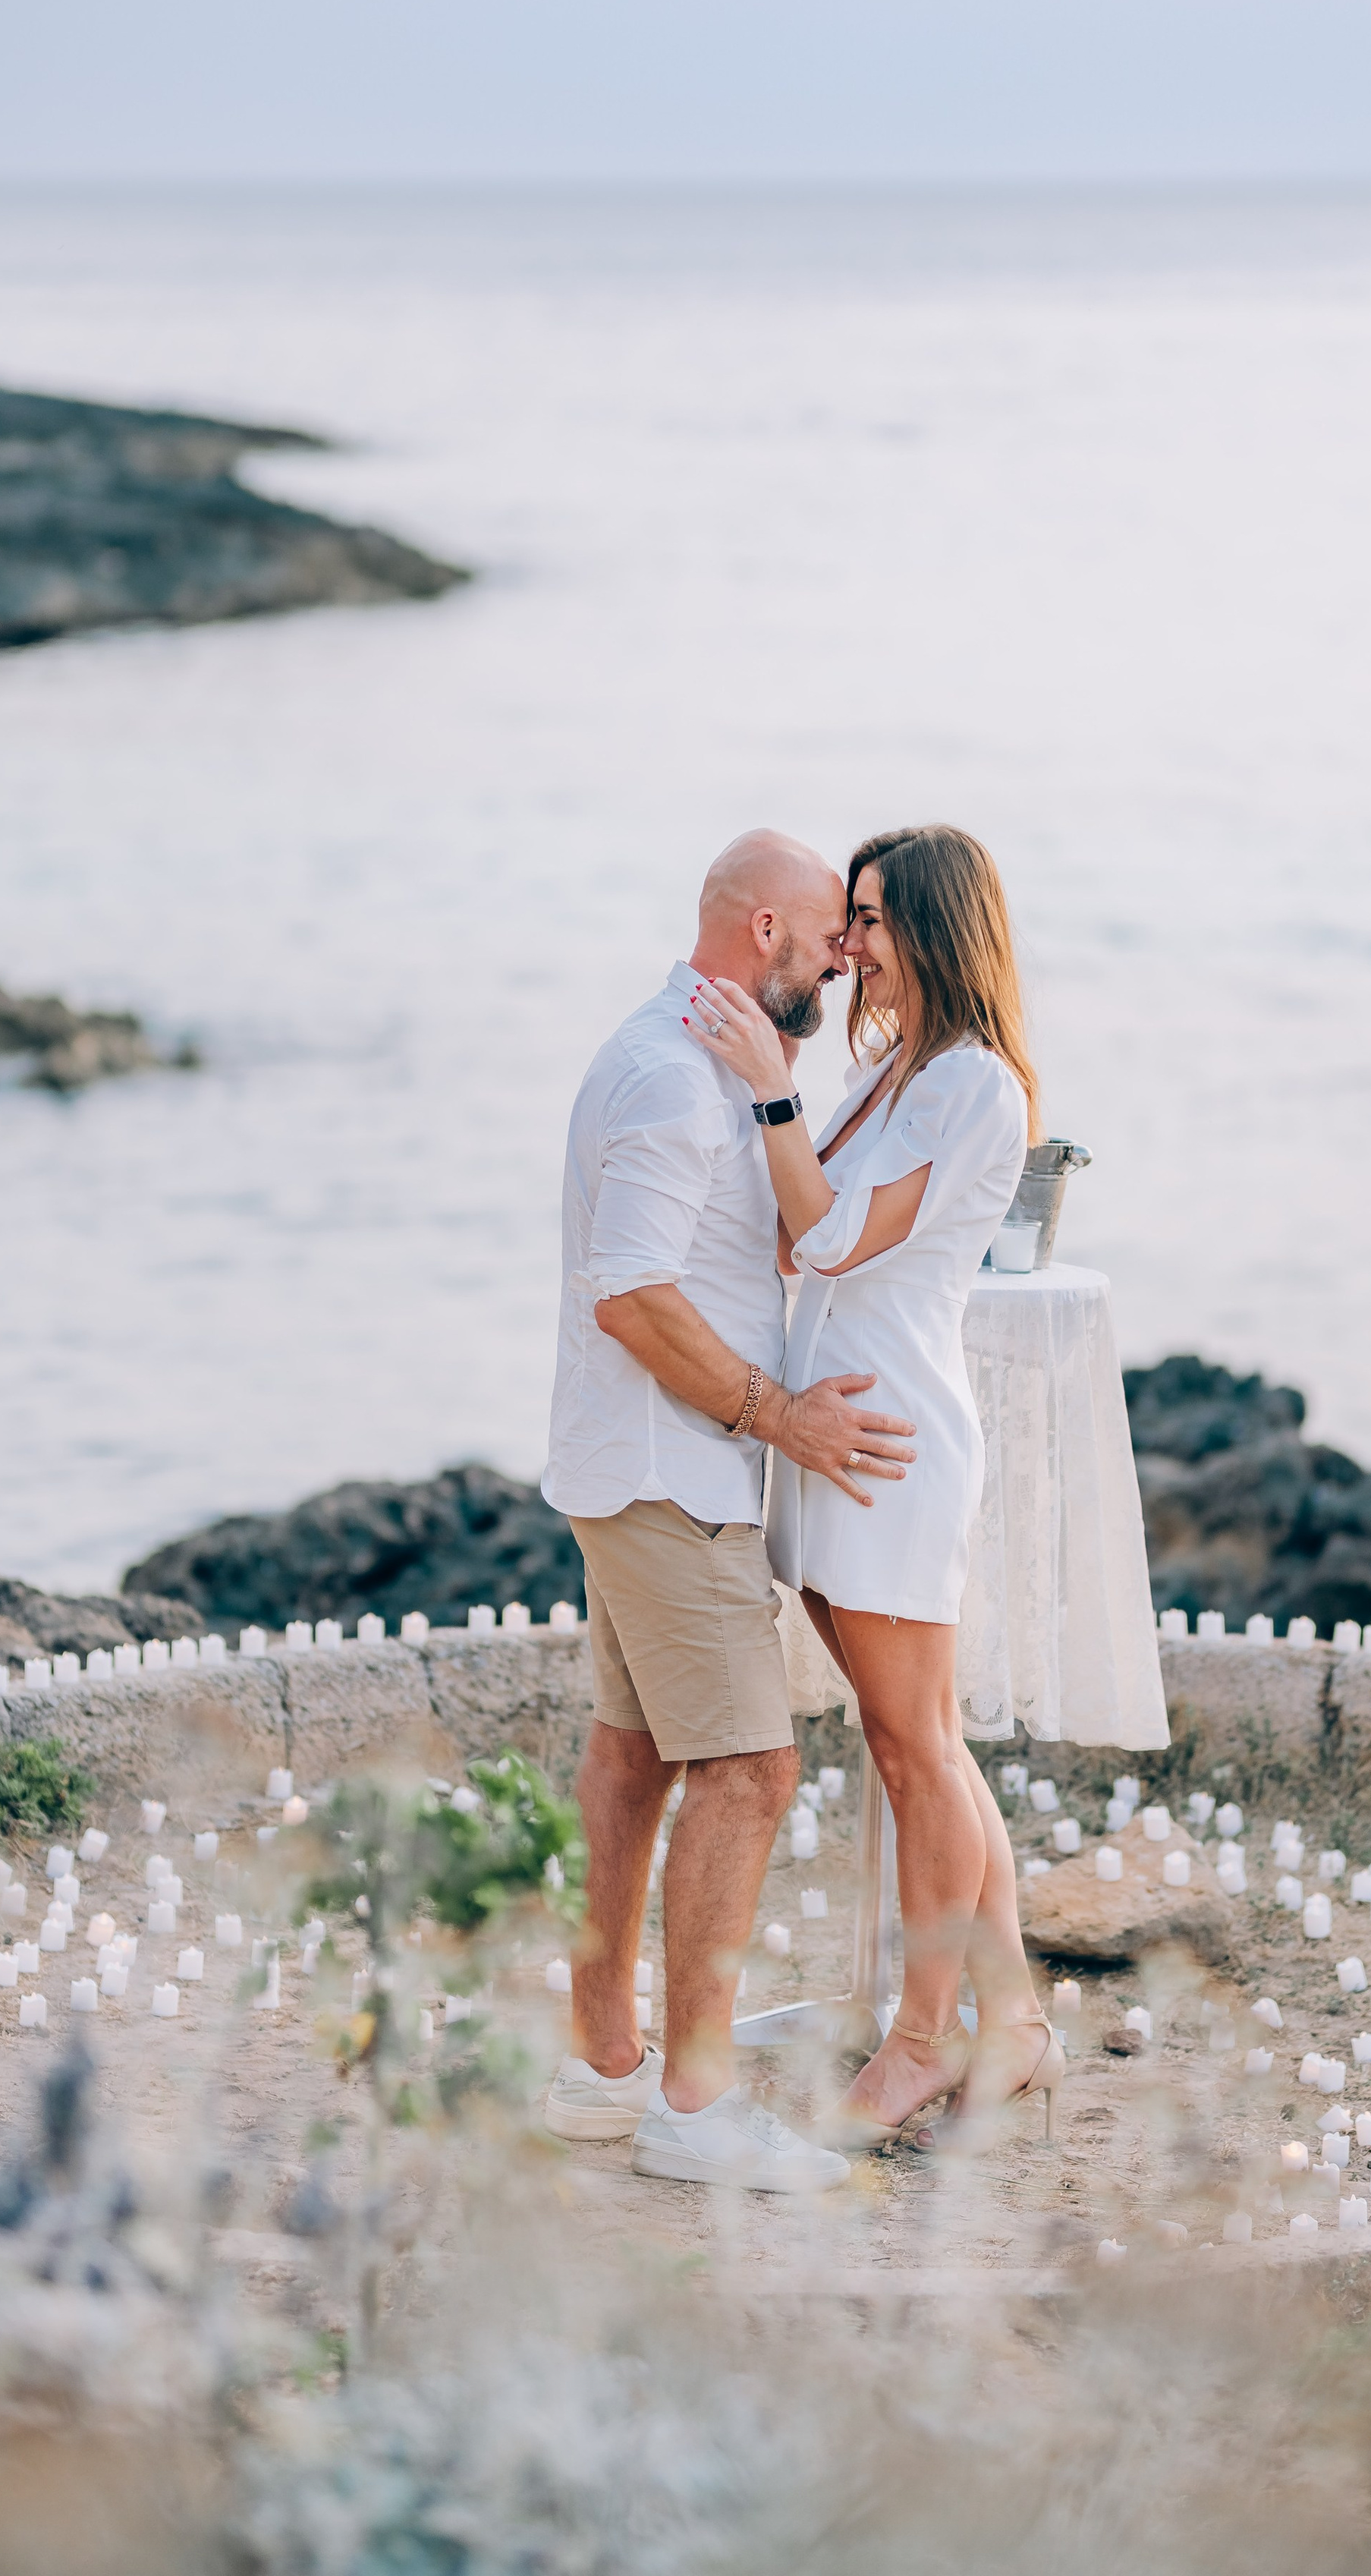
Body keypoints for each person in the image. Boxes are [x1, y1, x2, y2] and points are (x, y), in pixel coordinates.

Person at [539, 829, 919, 2192]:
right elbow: (630, 1294)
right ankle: (694, 2111)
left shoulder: (697, 1064)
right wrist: (782, 1417)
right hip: (668, 1472)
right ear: (766, 931)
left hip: (639, 1465)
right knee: (750, 1775)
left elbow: (713, 1255)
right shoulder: (664, 1077)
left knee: (633, 1755)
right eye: (830, 935)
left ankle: (601, 2071)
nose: (843, 958)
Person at [687, 823, 1059, 2150]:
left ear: (943, 929)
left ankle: (922, 2044)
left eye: (875, 918)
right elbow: (801, 1232)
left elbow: (833, 1235)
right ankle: (1012, 2024)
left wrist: (765, 1085)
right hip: (838, 1444)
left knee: (917, 1751)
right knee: (920, 1746)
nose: (850, 945)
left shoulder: (971, 1087)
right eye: (847, 917)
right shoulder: (891, 1072)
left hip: (893, 1449)